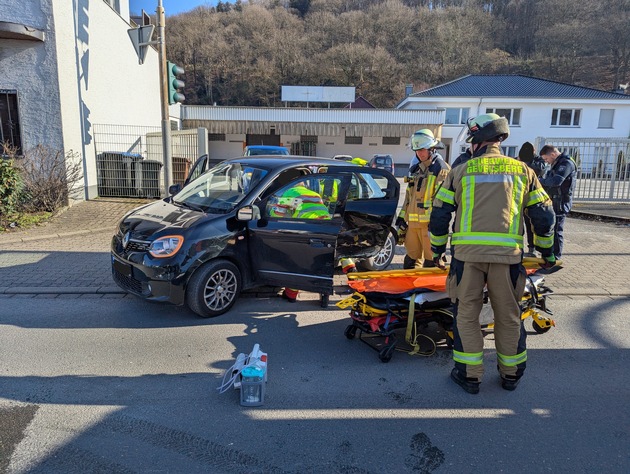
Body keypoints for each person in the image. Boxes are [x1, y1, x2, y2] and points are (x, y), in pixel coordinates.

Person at [429, 113, 556, 394]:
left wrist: (437, 250)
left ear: (476, 143)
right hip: (508, 258)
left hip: (467, 258)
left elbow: (439, 216)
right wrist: (547, 252)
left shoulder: (460, 172)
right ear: (500, 140)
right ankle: (511, 374)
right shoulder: (524, 172)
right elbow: (544, 217)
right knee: (509, 315)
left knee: (466, 314)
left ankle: (469, 375)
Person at [269, 180, 355, 302]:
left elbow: (277, 215)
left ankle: (291, 294)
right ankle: (352, 273)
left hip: (310, 227)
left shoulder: (290, 192)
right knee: (338, 249)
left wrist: (270, 210)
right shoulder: (314, 194)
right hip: (326, 225)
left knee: (298, 259)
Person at [397, 129, 450, 269]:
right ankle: (410, 291)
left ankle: (428, 291)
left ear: (432, 149)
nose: (420, 153)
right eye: (417, 150)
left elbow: (443, 203)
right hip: (413, 226)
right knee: (410, 261)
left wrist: (437, 224)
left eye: (423, 150)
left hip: (429, 227)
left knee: (431, 264)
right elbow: (409, 197)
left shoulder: (441, 170)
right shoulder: (416, 170)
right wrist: (402, 219)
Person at [538, 145, 577, 259]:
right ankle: (550, 255)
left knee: (556, 230)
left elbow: (556, 181)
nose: (546, 162)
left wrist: (540, 180)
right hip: (554, 200)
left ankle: (556, 257)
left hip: (560, 202)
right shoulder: (557, 163)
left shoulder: (566, 164)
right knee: (551, 229)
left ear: (553, 154)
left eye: (546, 159)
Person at [517, 142, 547, 256]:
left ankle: (532, 248)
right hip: (519, 197)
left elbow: (540, 170)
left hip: (533, 199)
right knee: (518, 224)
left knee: (531, 225)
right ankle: (518, 247)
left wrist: (525, 161)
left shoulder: (539, 161)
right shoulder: (517, 160)